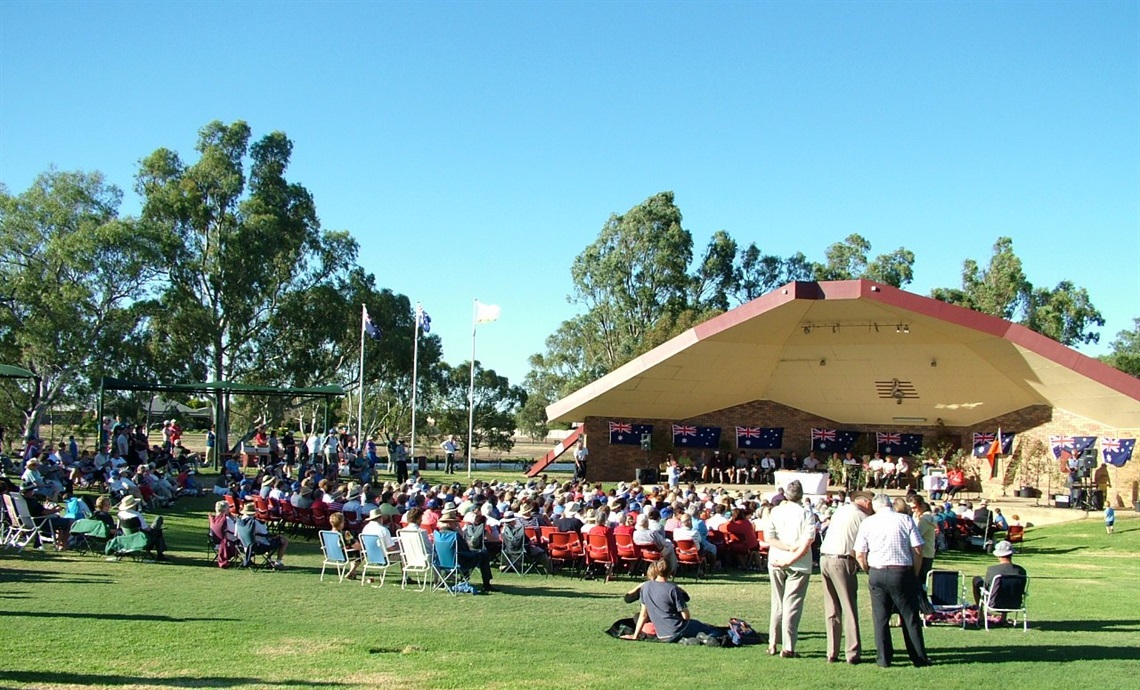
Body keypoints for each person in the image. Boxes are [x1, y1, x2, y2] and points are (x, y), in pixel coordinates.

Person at [853, 494, 931, 668]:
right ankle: (918, 657)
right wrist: (915, 572)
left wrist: (868, 570)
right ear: (890, 504)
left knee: (880, 617)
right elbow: (918, 549)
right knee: (910, 616)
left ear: (875, 507)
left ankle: (883, 658)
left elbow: (859, 553)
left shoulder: (868, 522)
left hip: (877, 571)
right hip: (902, 571)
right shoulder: (905, 520)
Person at [819, 490, 872, 664]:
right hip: (842, 560)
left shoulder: (841, 511)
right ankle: (852, 652)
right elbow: (864, 547)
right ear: (864, 502)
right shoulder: (861, 517)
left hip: (825, 558)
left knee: (832, 608)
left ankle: (832, 651)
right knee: (849, 608)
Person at [764, 479, 814, 658]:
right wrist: (790, 552)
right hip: (797, 563)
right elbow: (808, 542)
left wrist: (786, 552)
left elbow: (769, 537)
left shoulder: (776, 511)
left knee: (778, 602)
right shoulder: (806, 513)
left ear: (786, 494)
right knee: (791, 605)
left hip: (779, 559)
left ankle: (772, 643)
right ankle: (788, 646)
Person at [622, 559, 724, 645]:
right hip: (676, 628)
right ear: (671, 571)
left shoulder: (645, 586)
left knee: (681, 633)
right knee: (709, 629)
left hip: (662, 635)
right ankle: (707, 638)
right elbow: (686, 616)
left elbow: (643, 615)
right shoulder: (673, 589)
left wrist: (635, 635)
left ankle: (686, 641)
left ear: (656, 570)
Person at [971, 540, 1026, 623]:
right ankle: (1003, 618)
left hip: (994, 603)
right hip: (1015, 603)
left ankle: (981, 615)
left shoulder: (993, 570)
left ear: (998, 556)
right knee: (1007, 588)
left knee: (976, 579)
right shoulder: (1021, 571)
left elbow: (985, 587)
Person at [235, 503, 288, 569]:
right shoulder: (255, 522)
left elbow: (236, 535)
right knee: (284, 540)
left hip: (243, 547)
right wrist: (275, 536)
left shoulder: (238, 522)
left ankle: (270, 561)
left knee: (268, 540)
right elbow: (266, 534)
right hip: (257, 547)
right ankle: (278, 563)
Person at [116, 495, 168, 561]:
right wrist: (153, 529)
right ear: (134, 505)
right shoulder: (136, 515)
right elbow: (146, 529)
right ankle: (160, 554)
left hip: (127, 538)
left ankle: (161, 554)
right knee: (158, 531)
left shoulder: (120, 515)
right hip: (141, 539)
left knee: (157, 530)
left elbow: (118, 527)